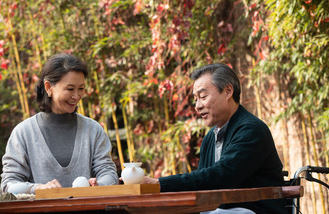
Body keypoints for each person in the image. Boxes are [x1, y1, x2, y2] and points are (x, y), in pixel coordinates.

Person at [142, 63, 286, 213]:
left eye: (203, 96)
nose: (197, 106)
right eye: (196, 99)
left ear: (228, 91)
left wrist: (160, 184)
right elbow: (202, 185)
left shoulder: (251, 130)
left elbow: (221, 175)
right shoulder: (210, 137)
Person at [1, 53, 118, 194]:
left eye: (81, 88)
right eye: (70, 89)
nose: (76, 96)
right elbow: (8, 185)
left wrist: (99, 184)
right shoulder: (23, 133)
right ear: (48, 87)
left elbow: (109, 174)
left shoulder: (93, 130)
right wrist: (38, 188)